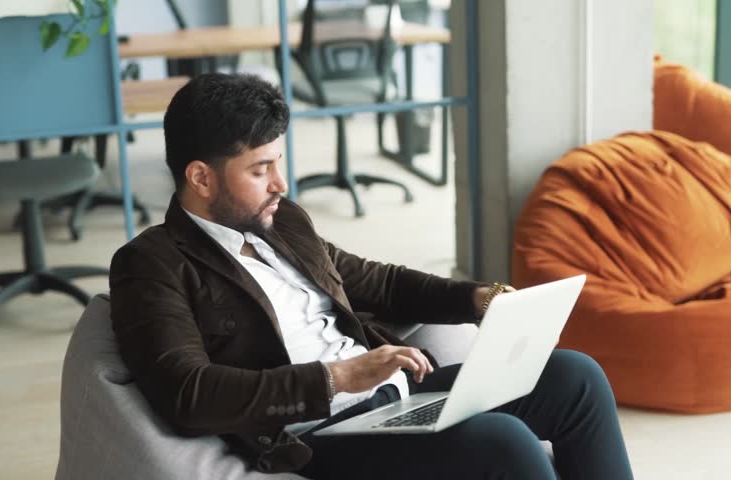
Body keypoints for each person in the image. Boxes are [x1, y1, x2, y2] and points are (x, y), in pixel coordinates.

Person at [109, 73, 634, 480]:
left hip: (394, 399)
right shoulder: (151, 264)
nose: (280, 183)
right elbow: (189, 394)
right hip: (317, 433)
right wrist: (342, 377)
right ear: (200, 176)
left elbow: (377, 283)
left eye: (278, 162)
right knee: (504, 441)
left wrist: (478, 299)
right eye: (259, 169)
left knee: (575, 377)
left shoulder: (282, 220)